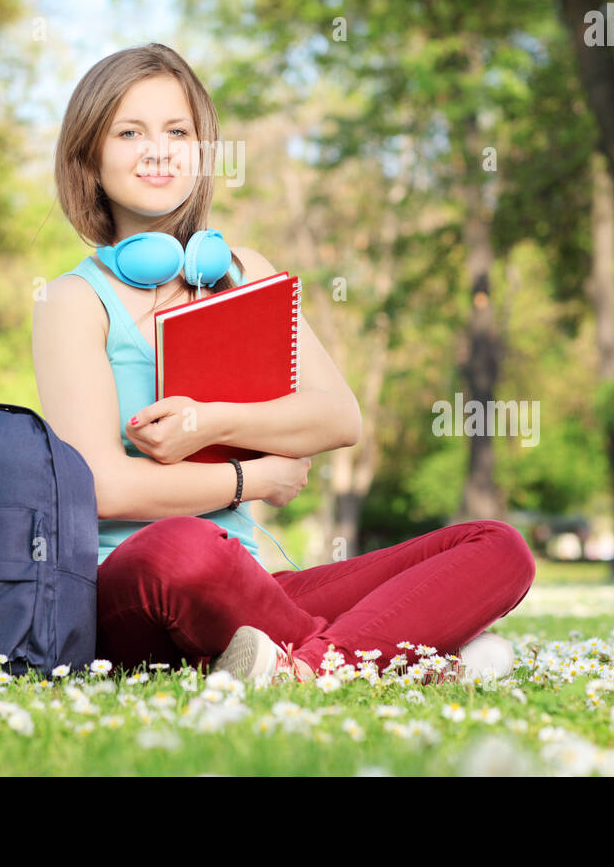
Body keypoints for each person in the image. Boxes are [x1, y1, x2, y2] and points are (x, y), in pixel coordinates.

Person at [32, 42, 535, 684]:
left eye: (177, 131)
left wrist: (210, 423)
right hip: (139, 586)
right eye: (130, 132)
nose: (158, 150)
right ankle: (398, 653)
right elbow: (103, 489)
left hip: (258, 589)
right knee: (182, 545)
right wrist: (254, 481)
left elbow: (337, 417)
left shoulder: (243, 273)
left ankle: (310, 665)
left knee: (497, 546)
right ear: (91, 157)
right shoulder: (72, 300)